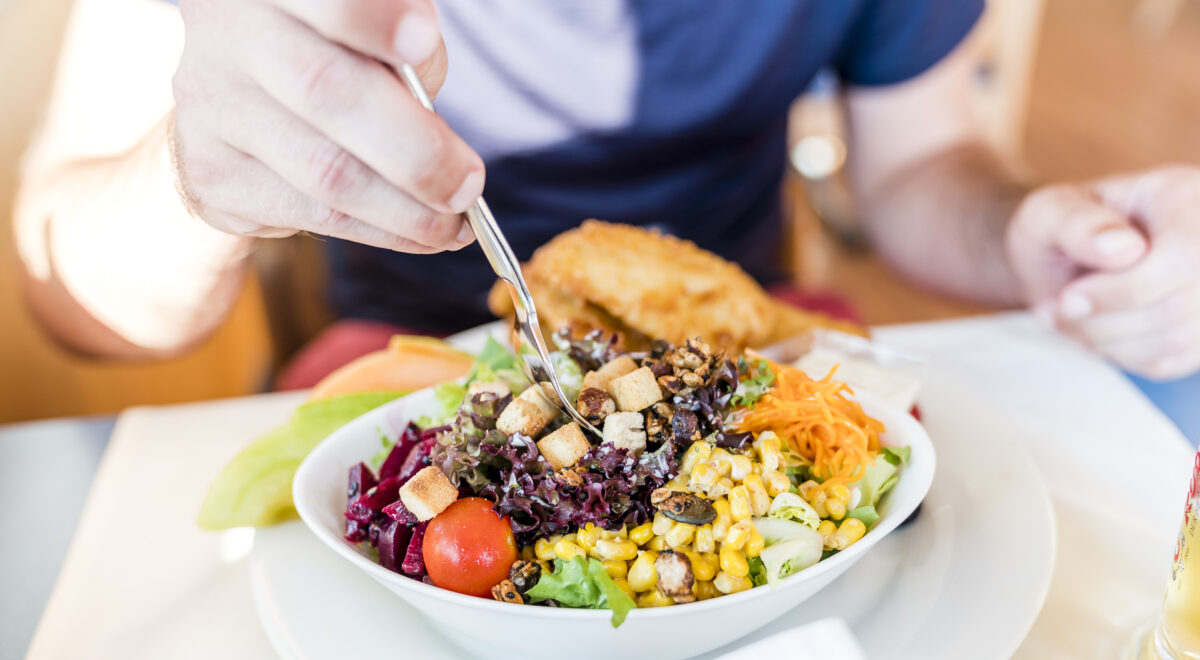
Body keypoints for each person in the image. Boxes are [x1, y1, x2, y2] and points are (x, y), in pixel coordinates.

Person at [14, 0, 1200, 386]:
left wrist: (1038, 237)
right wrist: (195, 183)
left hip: (746, 338)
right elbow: (69, 296)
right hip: (400, 352)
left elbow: (924, 170)